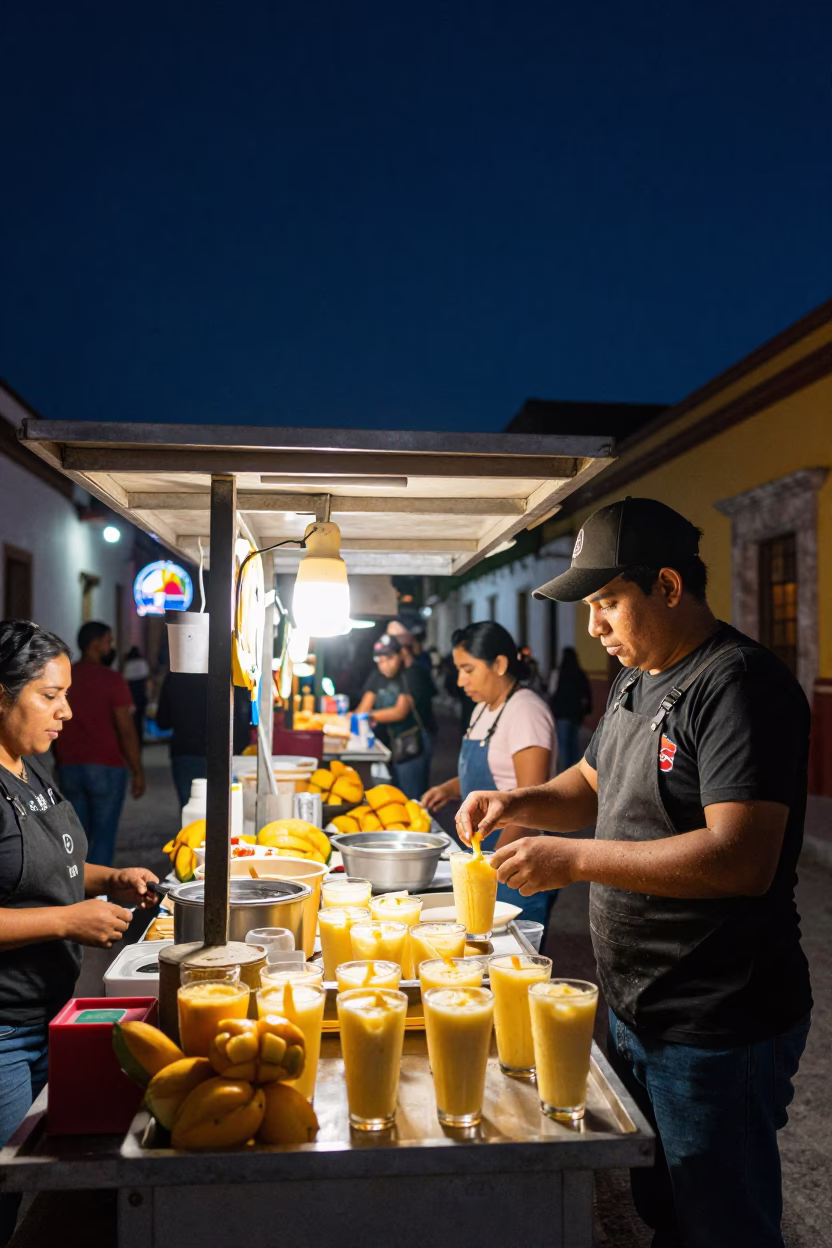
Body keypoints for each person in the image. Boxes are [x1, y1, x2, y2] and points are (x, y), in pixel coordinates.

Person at [456, 497, 812, 1248]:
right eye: (589, 607)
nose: (594, 628)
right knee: (666, 1206)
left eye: (608, 603)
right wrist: (514, 800)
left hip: (717, 1015)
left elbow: (742, 858)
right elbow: (588, 783)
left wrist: (576, 858)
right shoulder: (633, 679)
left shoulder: (738, 685)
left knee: (725, 1220)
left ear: (670, 588)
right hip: (636, 1005)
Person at [0, 620, 158, 1244]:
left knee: (50, 1184)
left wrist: (107, 876)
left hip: (50, 1016)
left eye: (66, 694)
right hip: (4, 1033)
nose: (66, 712)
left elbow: (47, 864)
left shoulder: (27, 767)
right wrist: (69, 918)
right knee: (13, 1191)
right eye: (50, 696)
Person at [422, 621, 558, 928]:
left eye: (468, 669)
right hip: (485, 864)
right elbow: (490, 775)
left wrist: (492, 868)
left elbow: (530, 800)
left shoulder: (525, 711)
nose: (460, 681)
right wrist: (448, 788)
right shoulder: (483, 708)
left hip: (516, 867)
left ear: (499, 664)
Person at [52, 621, 145, 866]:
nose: (110, 647)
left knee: (76, 840)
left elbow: (53, 718)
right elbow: (126, 728)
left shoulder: (65, 677)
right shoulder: (112, 679)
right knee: (102, 839)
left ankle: (76, 895)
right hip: (106, 767)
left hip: (70, 767)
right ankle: (99, 898)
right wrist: (137, 770)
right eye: (108, 641)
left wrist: (59, 761)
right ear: (95, 645)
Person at [156, 671, 253, 812]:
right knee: (225, 813)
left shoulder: (176, 675)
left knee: (192, 814)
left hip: (186, 753)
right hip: (225, 753)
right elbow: (246, 719)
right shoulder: (232, 670)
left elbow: (163, 721)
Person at [355, 635, 434, 799]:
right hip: (388, 744)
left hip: (411, 742)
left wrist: (368, 716)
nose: (385, 665)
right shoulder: (377, 676)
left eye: (389, 658)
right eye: (380, 660)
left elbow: (400, 711)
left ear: (401, 655)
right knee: (392, 793)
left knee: (412, 796)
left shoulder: (412, 675)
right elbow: (363, 707)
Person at [549, 646, 593, 769]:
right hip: (576, 714)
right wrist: (587, 710)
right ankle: (576, 770)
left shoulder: (558, 673)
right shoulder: (580, 674)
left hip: (561, 714)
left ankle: (565, 772)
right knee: (574, 744)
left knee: (563, 745)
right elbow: (586, 694)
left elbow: (552, 693)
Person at [122, 645, 150, 748]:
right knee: (140, 720)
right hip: (141, 697)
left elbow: (125, 682)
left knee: (132, 721)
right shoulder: (143, 664)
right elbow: (147, 682)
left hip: (132, 697)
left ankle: (132, 741)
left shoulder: (128, 665)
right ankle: (140, 740)